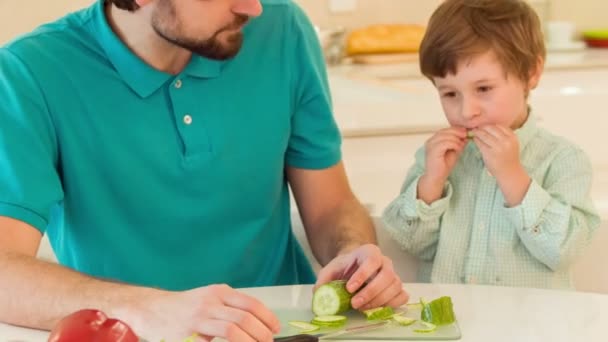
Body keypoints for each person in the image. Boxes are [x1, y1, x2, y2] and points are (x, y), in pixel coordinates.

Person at [0, 0, 408, 341]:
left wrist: (353, 252)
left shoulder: (283, 31)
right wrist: (153, 309)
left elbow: (331, 205)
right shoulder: (29, 73)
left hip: (286, 331)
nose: (254, 7)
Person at [382, 0, 600, 290]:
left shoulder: (563, 160)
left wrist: (513, 178)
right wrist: (431, 184)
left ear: (531, 73)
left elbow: (563, 251)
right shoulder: (434, 158)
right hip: (452, 329)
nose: (466, 110)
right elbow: (410, 245)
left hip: (532, 331)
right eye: (449, 94)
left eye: (483, 89)